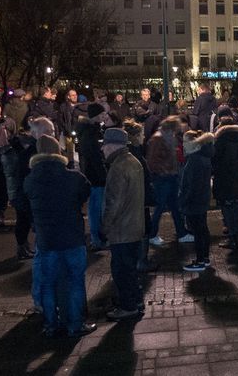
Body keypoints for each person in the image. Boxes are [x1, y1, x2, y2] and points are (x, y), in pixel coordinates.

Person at [24, 134, 96, 338]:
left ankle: (50, 324)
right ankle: (75, 323)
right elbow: (85, 193)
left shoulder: (31, 179)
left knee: (47, 282)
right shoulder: (73, 177)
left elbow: (25, 202)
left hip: (47, 239)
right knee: (75, 280)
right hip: (72, 237)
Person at [100, 128, 145, 321]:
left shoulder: (118, 167)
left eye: (104, 146)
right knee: (130, 269)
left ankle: (128, 306)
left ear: (111, 146)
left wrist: (104, 227)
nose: (102, 149)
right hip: (134, 226)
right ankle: (135, 301)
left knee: (121, 271)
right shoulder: (133, 161)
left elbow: (113, 203)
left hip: (122, 229)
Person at [1, 117, 55, 259]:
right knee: (25, 221)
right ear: (41, 132)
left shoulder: (30, 146)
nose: (53, 133)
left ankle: (23, 247)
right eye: (51, 130)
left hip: (24, 192)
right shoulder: (32, 149)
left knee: (24, 221)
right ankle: (23, 248)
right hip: (25, 193)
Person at [146, 116, 193, 245]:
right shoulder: (160, 138)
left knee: (173, 206)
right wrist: (166, 170)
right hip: (163, 177)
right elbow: (152, 161)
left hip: (168, 176)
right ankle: (152, 234)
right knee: (162, 207)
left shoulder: (164, 136)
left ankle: (181, 233)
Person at [123, 121, 156, 272]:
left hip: (138, 199)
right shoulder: (133, 153)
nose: (144, 136)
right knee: (143, 230)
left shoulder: (131, 151)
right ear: (135, 136)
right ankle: (141, 261)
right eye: (142, 134)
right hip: (139, 199)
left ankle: (139, 260)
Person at [179, 130, 215, 272]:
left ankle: (200, 260)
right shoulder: (202, 155)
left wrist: (183, 200)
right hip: (201, 198)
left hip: (194, 200)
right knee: (202, 229)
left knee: (198, 231)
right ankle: (203, 258)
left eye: (185, 141)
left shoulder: (194, 159)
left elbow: (190, 184)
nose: (183, 144)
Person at [75, 102, 109, 250]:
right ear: (96, 116)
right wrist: (103, 174)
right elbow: (94, 156)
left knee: (96, 207)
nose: (105, 116)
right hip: (96, 176)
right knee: (97, 208)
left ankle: (98, 237)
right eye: (102, 114)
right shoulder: (91, 133)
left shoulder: (91, 131)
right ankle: (97, 238)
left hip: (94, 174)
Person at [213, 122, 238, 252]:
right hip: (236, 179)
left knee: (227, 209)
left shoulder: (220, 141)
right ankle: (236, 235)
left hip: (224, 180)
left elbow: (215, 160)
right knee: (235, 207)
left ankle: (232, 238)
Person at [0, 97, 16, 227]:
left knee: (2, 189)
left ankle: (0, 214)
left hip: (4, 161)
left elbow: (13, 138)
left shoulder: (8, 122)